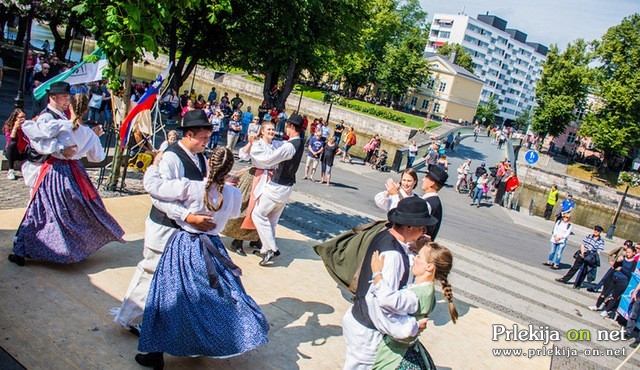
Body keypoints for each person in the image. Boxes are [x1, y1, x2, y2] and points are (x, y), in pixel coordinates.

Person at [135, 147, 269, 368]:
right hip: (212, 248)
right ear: (229, 170)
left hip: (184, 245)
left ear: (209, 165)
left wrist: (155, 163)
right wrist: (228, 190)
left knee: (168, 297)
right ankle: (204, 342)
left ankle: (156, 353)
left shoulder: (191, 187)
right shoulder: (233, 193)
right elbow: (234, 213)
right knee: (214, 297)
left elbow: (153, 187)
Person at [113, 109, 215, 335]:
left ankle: (162, 322)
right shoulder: (170, 157)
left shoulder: (199, 157)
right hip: (164, 227)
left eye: (208, 139)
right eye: (203, 138)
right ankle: (128, 317)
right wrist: (186, 216)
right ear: (188, 134)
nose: (206, 143)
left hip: (183, 229)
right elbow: (158, 197)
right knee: (151, 270)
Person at [8, 93, 125, 266]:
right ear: (86, 110)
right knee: (77, 210)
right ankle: (72, 248)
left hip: (54, 171)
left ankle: (26, 249)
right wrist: (91, 139)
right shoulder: (87, 133)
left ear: (70, 107)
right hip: (75, 172)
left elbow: (30, 129)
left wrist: (59, 147)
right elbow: (97, 157)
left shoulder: (61, 125)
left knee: (40, 209)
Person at [342, 197, 437, 369]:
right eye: (421, 226)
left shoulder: (385, 235)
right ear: (408, 226)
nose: (424, 231)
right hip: (368, 331)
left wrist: (415, 248)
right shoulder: (393, 257)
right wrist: (410, 327)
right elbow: (382, 304)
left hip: (361, 320)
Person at [368, 243, 458, 369]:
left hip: (396, 356)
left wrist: (377, 274)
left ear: (429, 266)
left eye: (419, 257)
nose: (414, 258)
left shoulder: (416, 296)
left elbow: (387, 299)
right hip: (407, 350)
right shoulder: (427, 290)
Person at [251, 114, 305, 266]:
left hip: (278, 186)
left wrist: (255, 150)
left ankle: (271, 249)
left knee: (258, 214)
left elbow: (269, 159)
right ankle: (265, 247)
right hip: (286, 186)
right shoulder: (299, 142)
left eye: (288, 125)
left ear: (292, 127)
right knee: (272, 220)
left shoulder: (289, 146)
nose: (286, 127)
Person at [224, 122, 281, 256]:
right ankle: (237, 240)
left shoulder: (275, 145)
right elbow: (243, 155)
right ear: (262, 131)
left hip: (270, 178)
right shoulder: (257, 144)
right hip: (256, 177)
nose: (271, 132)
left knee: (265, 210)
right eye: (269, 129)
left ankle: (256, 238)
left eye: (273, 129)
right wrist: (250, 143)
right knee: (247, 207)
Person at [588, 244, 637, 319]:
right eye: (626, 252)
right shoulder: (623, 259)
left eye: (629, 252)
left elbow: (630, 274)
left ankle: (607, 311)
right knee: (605, 293)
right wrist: (617, 261)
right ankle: (596, 306)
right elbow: (615, 266)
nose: (627, 254)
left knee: (614, 297)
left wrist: (621, 269)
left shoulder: (634, 263)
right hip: (615, 277)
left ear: (633, 253)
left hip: (623, 281)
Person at [421, 165, 448, 241]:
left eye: (426, 178)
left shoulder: (429, 204)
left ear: (432, 183)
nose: (423, 180)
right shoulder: (435, 201)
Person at [4, 109, 29, 180]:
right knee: (12, 144)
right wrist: (15, 128)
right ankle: (11, 170)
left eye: (24, 117)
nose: (23, 119)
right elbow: (10, 140)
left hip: (24, 151)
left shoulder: (26, 126)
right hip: (13, 153)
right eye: (21, 117)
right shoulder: (9, 126)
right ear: (16, 118)